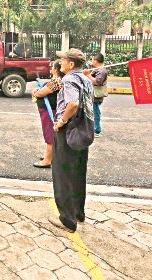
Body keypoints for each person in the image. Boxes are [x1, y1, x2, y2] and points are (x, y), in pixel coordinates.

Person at [49, 48, 94, 233]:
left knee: (63, 173)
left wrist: (62, 120)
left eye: (63, 60)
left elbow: (73, 103)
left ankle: (67, 219)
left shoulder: (69, 79)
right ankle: (78, 212)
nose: (60, 63)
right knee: (78, 172)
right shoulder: (86, 79)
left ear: (71, 64)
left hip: (69, 130)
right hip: (84, 130)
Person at [32, 60, 65, 168]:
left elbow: (42, 92)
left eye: (52, 67)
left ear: (56, 69)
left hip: (50, 111)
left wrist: (37, 92)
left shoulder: (57, 81)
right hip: (48, 110)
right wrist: (38, 91)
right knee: (50, 134)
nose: (51, 69)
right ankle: (50, 156)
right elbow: (42, 90)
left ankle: (47, 160)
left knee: (49, 135)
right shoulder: (56, 80)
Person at [83, 53, 108, 137]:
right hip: (93, 94)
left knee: (95, 112)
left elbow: (97, 82)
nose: (91, 61)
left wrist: (88, 75)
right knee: (92, 111)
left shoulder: (102, 71)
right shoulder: (97, 69)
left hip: (96, 95)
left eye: (93, 59)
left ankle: (97, 130)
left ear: (96, 61)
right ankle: (92, 128)